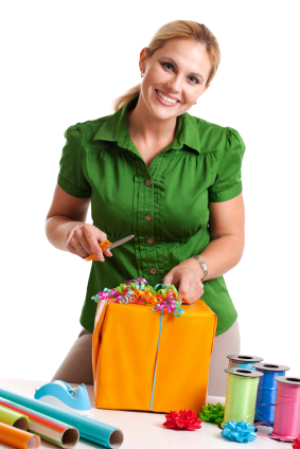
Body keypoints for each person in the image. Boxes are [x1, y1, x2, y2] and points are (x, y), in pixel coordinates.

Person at [46, 20, 245, 396]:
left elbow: (231, 239)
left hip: (202, 323)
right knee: (55, 417)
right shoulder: (86, 142)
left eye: (192, 78)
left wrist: (196, 267)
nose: (174, 86)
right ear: (145, 61)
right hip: (115, 319)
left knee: (201, 432)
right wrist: (73, 232)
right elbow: (57, 219)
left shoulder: (219, 147)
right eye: (168, 66)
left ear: (202, 90)